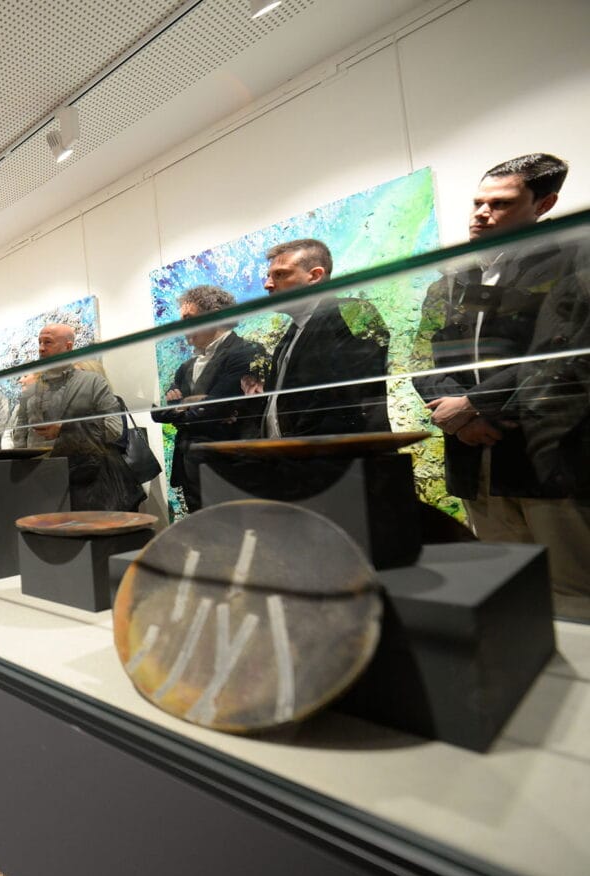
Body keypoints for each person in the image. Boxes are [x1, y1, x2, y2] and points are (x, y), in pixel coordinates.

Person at [412, 153, 590, 618]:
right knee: (504, 591)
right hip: (472, 454)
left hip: (544, 456)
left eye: (501, 203)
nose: (481, 213)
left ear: (544, 203)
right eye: (478, 202)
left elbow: (564, 351)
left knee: (571, 595)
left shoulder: (575, 254)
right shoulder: (454, 277)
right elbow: (423, 357)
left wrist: (472, 403)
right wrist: (455, 418)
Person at [239, 238, 390, 438]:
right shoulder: (291, 335)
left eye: (281, 274)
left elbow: (342, 399)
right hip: (296, 461)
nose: (268, 284)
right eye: (268, 276)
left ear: (315, 275)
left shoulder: (352, 313)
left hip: (340, 460)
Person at [153, 286, 265, 512]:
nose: (182, 325)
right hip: (188, 469)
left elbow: (213, 409)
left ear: (215, 313)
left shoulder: (246, 352)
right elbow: (159, 413)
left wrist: (182, 406)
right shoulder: (185, 368)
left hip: (229, 467)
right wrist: (187, 406)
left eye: (188, 318)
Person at [14, 323, 143, 511]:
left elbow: (115, 429)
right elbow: (20, 437)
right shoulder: (30, 391)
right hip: (38, 481)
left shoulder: (93, 383)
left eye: (48, 342)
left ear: (68, 346)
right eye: (40, 342)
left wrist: (65, 430)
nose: (41, 348)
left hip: (85, 482)